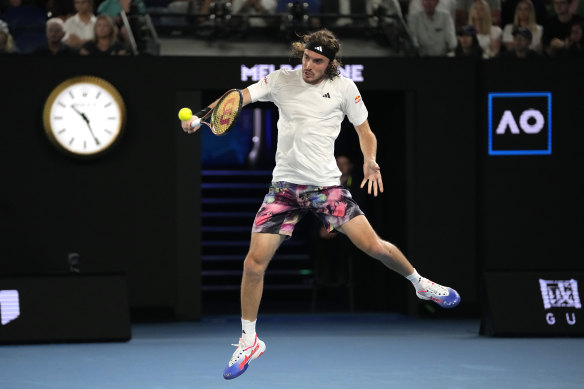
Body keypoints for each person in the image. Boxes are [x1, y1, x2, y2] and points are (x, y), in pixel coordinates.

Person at [181, 29, 461, 380]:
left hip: (325, 188)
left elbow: (366, 133)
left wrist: (370, 160)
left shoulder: (345, 88)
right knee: (253, 264)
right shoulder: (282, 80)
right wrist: (202, 118)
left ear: (331, 64)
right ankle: (249, 340)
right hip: (283, 188)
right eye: (306, 58)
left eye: (317, 61)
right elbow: (239, 97)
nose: (308, 65)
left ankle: (420, 283)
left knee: (372, 246)